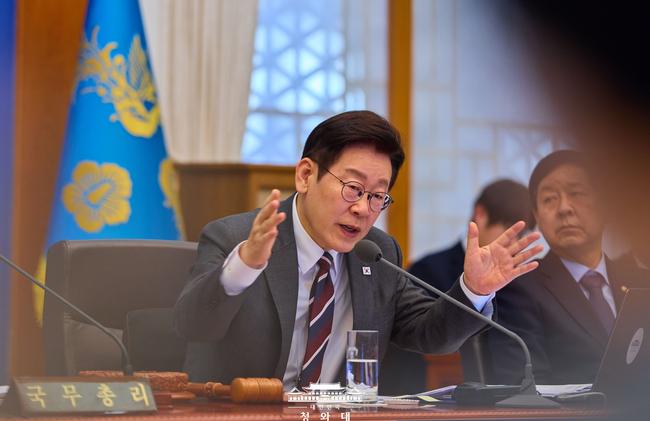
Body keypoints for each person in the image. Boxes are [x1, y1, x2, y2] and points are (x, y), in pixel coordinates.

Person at [174, 110, 542, 390]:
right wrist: (245, 266)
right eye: (353, 188)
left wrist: (474, 290)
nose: (364, 209)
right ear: (305, 176)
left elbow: (429, 334)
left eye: (378, 195)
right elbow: (193, 325)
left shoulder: (377, 253)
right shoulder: (233, 238)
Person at [488, 150, 640, 385]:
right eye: (549, 199)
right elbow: (524, 388)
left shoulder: (640, 282)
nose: (564, 208)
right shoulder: (519, 289)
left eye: (577, 193)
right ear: (537, 216)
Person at [380, 179, 534, 392]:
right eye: (509, 229)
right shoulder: (429, 269)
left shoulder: (522, 282)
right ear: (481, 214)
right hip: (441, 397)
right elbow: (414, 349)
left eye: (522, 235)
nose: (515, 242)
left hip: (514, 397)